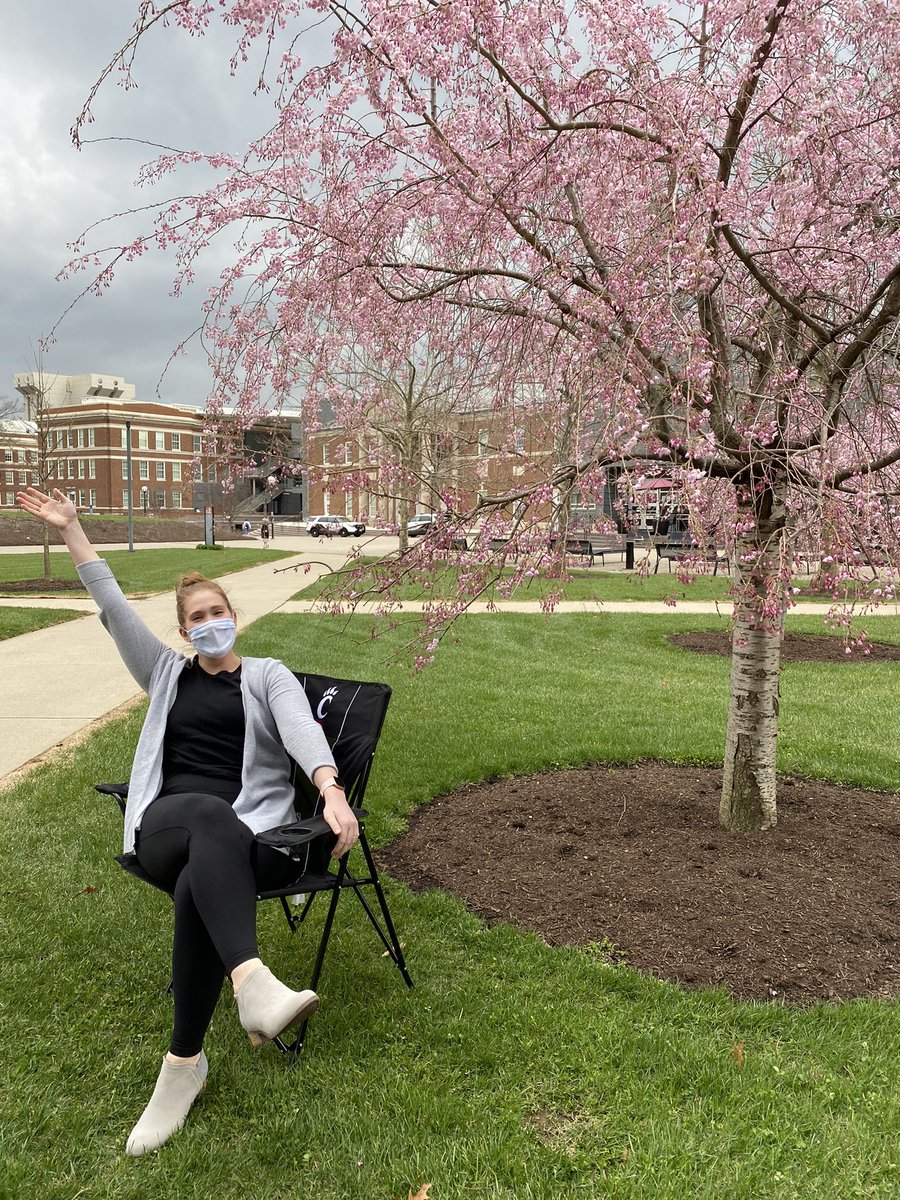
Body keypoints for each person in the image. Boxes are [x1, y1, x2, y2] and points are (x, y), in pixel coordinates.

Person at [15, 486, 358, 1156]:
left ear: (235, 615)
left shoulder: (267, 675)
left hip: (242, 843)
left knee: (200, 885)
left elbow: (301, 735)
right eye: (196, 617)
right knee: (205, 815)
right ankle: (253, 984)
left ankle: (182, 1067)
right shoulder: (166, 674)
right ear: (183, 631)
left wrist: (331, 789)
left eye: (217, 611)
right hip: (169, 829)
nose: (209, 623)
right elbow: (113, 610)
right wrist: (73, 530)